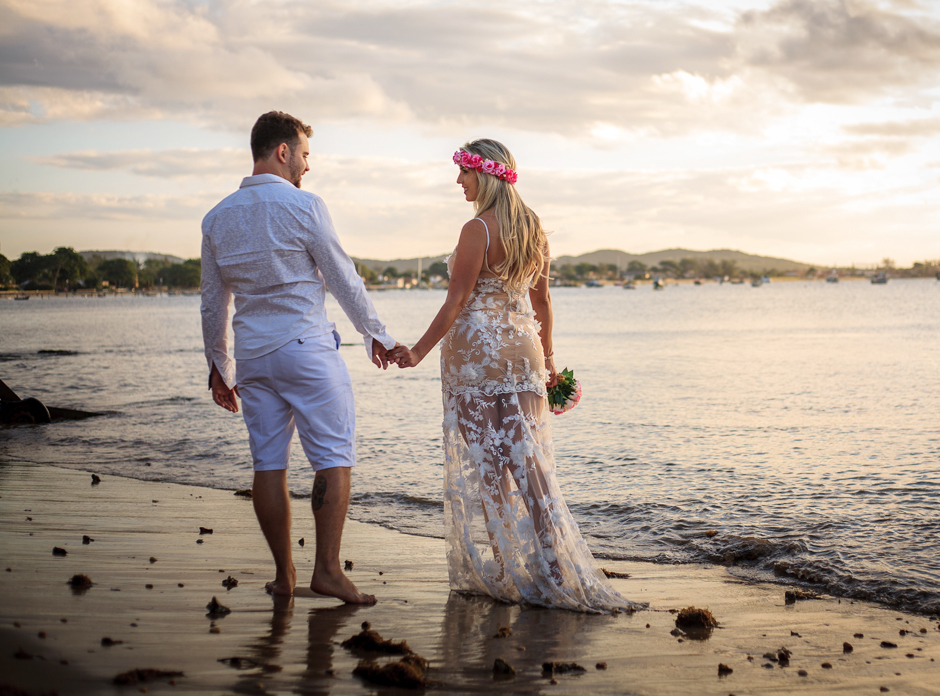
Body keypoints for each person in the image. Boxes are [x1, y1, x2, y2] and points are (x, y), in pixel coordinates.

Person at [390, 139, 633, 612]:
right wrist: (549, 361)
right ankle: (556, 569)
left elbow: (457, 300)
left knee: (492, 471)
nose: (459, 181)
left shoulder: (477, 227)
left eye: (464, 172)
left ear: (487, 175)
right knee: (532, 467)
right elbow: (541, 302)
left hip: (478, 357)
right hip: (523, 354)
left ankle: (508, 572)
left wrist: (418, 351)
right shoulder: (533, 228)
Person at [200, 110, 396, 605]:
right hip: (306, 349)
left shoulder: (217, 217)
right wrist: (376, 334)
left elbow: (211, 302)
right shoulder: (305, 206)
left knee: (268, 465)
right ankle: (327, 570)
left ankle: (285, 576)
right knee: (332, 457)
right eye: (304, 154)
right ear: (282, 151)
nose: (307, 166)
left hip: (254, 360)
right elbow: (342, 276)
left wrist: (219, 368)